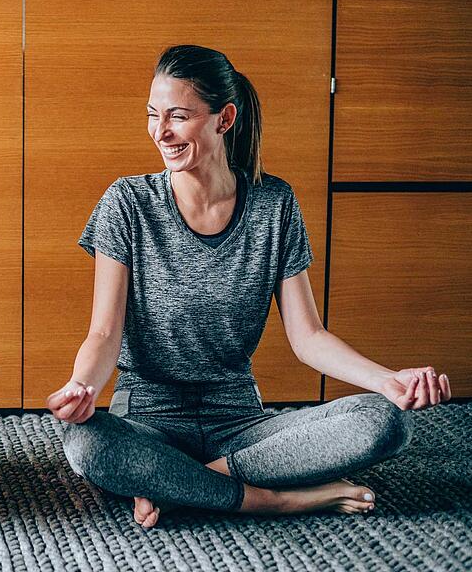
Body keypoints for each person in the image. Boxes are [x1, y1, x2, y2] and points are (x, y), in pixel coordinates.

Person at [46, 44, 452, 529]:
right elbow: (104, 333)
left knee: (384, 421)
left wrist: (389, 381)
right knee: (85, 442)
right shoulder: (128, 202)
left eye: (178, 116)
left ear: (224, 118)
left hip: (240, 423)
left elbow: (309, 337)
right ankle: (274, 499)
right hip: (148, 420)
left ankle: (184, 486)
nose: (161, 132)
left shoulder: (274, 204)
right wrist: (82, 386)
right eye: (153, 115)